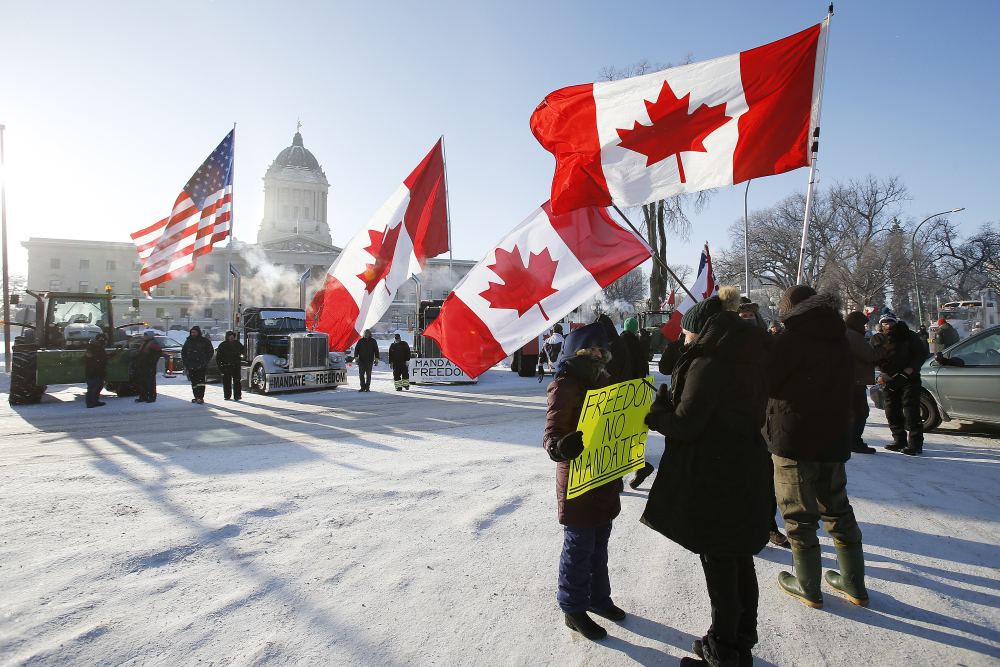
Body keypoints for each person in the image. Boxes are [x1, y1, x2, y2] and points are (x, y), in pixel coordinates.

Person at [641, 294, 773, 667]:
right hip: (744, 466)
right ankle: (738, 642)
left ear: (701, 332)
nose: (682, 341)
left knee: (721, 567)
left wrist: (659, 412)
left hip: (718, 475)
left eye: (685, 334)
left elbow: (686, 424)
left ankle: (723, 654)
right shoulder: (749, 354)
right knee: (738, 560)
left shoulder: (709, 363)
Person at [766, 285, 869, 610]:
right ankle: (854, 583)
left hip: (794, 439)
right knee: (837, 507)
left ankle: (808, 585)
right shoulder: (839, 339)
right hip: (834, 436)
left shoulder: (789, 341)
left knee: (798, 514)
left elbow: (765, 383)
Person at [544, 323, 624, 642]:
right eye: (591, 350)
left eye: (602, 350)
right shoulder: (565, 383)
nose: (598, 355)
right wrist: (559, 447)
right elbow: (553, 432)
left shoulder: (604, 379)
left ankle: (597, 598)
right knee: (579, 546)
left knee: (599, 543)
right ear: (575, 351)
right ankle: (573, 608)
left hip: (604, 474)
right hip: (577, 478)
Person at [870, 312, 928, 455]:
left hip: (909, 378)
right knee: (891, 411)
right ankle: (899, 440)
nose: (888, 326)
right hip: (889, 379)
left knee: (911, 410)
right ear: (881, 325)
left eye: (890, 322)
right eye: (885, 323)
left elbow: (921, 353)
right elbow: (872, 356)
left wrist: (910, 369)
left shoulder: (909, 335)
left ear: (896, 322)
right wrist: (881, 367)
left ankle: (915, 443)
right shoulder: (877, 338)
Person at [844, 312, 888, 454]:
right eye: (863, 324)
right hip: (855, 380)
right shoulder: (854, 336)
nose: (864, 327)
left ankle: (851, 441)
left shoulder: (846, 333)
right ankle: (854, 442)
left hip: (849, 378)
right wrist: (884, 350)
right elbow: (868, 355)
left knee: (854, 413)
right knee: (860, 413)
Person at [84, 332, 122, 408]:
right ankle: (90, 402)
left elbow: (103, 358)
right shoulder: (93, 348)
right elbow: (101, 359)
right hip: (94, 372)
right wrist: (114, 353)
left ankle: (95, 401)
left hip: (98, 371)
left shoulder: (98, 348)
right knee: (93, 388)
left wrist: (115, 353)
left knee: (98, 387)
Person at [181, 325, 215, 405]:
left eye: (195, 332)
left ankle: (200, 397)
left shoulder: (205, 341)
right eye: (192, 332)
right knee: (194, 382)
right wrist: (186, 362)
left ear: (198, 333)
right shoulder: (188, 341)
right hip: (191, 365)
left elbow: (210, 352)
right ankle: (196, 396)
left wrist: (205, 360)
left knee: (200, 382)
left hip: (201, 365)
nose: (193, 334)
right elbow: (184, 353)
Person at [596, 314, 631, 385]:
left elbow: (610, 375)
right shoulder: (616, 341)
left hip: (617, 391)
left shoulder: (613, 345)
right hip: (623, 388)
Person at [215, 330, 245, 401]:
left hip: (236, 366)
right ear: (227, 337)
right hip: (226, 366)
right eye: (230, 336)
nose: (231, 338)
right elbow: (218, 357)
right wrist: (221, 366)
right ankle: (227, 395)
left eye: (232, 336)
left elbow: (243, 351)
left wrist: (239, 359)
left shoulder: (237, 344)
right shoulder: (223, 345)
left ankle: (237, 396)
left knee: (237, 381)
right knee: (226, 382)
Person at [134, 331, 162, 403]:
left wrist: (152, 361)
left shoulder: (153, 342)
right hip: (143, 365)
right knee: (143, 382)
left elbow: (158, 352)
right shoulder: (146, 342)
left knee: (149, 382)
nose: (145, 336)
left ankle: (151, 396)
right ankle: (143, 396)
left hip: (149, 366)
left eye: (146, 335)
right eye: (145, 335)